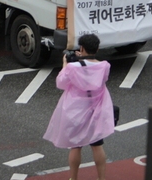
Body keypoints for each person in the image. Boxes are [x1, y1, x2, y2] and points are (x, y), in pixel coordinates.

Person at [43, 34, 115, 180]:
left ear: (81, 48)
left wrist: (65, 64)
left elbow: (61, 83)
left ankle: (74, 178)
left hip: (76, 111)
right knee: (97, 145)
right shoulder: (105, 65)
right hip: (96, 110)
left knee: (76, 146)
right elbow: (102, 79)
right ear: (97, 48)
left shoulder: (72, 67)